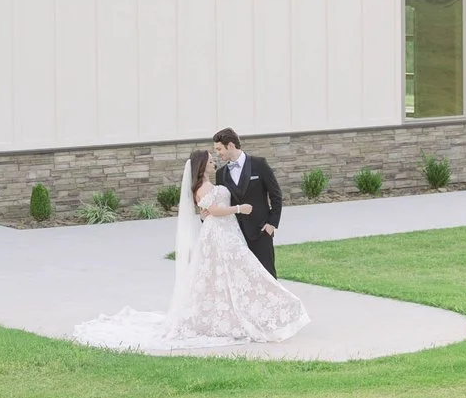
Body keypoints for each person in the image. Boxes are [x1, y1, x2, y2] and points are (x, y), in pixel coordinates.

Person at [73, 147, 310, 352]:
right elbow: (213, 211)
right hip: (219, 235)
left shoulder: (215, 181)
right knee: (234, 273)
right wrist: (239, 209)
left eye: (216, 155)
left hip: (229, 232)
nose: (214, 161)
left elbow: (211, 210)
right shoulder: (204, 186)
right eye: (211, 159)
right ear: (202, 165)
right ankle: (244, 315)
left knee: (236, 274)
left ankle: (256, 312)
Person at [213, 127, 283, 277]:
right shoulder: (220, 174)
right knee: (243, 279)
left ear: (230, 145)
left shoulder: (259, 164)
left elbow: (276, 195)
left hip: (261, 232)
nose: (218, 153)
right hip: (235, 236)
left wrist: (271, 224)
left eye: (219, 149)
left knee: (268, 277)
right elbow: (221, 204)